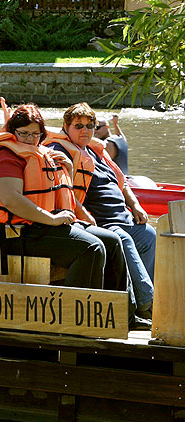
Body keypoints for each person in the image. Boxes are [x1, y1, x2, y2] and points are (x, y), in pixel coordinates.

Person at [0, 104, 129, 292]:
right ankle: (76, 314)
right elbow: (10, 199)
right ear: (12, 131)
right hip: (16, 233)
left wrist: (68, 171)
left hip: (43, 227)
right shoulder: (4, 156)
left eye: (35, 134)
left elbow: (58, 192)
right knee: (92, 247)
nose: (30, 139)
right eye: (24, 133)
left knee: (112, 241)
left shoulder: (45, 153)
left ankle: (121, 313)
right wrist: (52, 219)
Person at [45, 102, 155, 319]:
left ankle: (149, 292)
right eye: (79, 126)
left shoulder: (96, 151)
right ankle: (146, 305)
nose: (85, 131)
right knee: (123, 239)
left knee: (149, 235)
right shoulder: (59, 151)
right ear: (66, 127)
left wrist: (135, 205)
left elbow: (122, 182)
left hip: (124, 217)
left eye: (90, 126)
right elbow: (62, 189)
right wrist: (84, 213)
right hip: (101, 222)